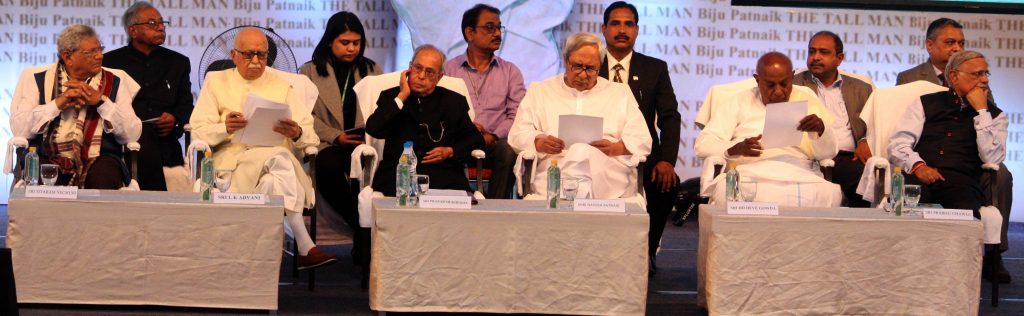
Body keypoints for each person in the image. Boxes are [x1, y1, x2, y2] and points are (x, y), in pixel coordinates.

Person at [190, 27, 336, 270]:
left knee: (272, 183)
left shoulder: (282, 86)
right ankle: (304, 245)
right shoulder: (216, 81)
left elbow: (309, 137)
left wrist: (296, 132)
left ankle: (256, 266)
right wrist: (224, 128)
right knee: (280, 158)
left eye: (262, 54)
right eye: (248, 55)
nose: (256, 61)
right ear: (233, 54)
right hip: (233, 166)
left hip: (274, 167)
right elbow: (197, 131)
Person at [898, 18, 1013, 283]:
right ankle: (906, 274)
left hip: (962, 176)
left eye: (986, 74)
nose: (984, 80)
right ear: (954, 77)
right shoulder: (924, 101)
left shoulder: (993, 113)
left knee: (965, 213)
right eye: (977, 75)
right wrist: (918, 166)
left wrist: (981, 111)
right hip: (922, 171)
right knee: (907, 201)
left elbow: (992, 159)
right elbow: (900, 141)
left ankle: (959, 279)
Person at [508, 32, 652, 200]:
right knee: (577, 153)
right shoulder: (540, 91)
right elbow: (517, 135)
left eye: (591, 69)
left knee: (582, 151)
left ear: (601, 65)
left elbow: (642, 139)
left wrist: (615, 148)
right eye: (577, 66)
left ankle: (569, 201)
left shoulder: (620, 93)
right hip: (554, 169)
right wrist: (539, 142)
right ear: (565, 59)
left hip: (606, 171)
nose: (583, 75)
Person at [597, 1, 681, 275]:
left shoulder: (654, 68)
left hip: (644, 154)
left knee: (666, 183)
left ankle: (647, 249)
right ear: (604, 29)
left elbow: (669, 116)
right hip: (599, 150)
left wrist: (667, 160)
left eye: (628, 24)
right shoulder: (589, 65)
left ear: (637, 30)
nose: (622, 30)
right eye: (615, 23)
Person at [695, 52, 841, 207]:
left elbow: (828, 154)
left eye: (784, 84)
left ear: (792, 77)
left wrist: (821, 130)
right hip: (749, 171)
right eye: (771, 85)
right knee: (726, 191)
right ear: (758, 80)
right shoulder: (739, 101)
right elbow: (702, 145)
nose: (778, 91)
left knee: (829, 193)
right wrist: (735, 149)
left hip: (798, 171)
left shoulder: (807, 97)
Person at [10, 24, 142, 189]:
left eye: (100, 49)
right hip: (48, 156)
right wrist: (58, 104)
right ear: (68, 57)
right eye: (92, 52)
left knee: (103, 175)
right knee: (42, 176)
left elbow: (132, 134)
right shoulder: (38, 80)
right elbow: (19, 129)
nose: (100, 56)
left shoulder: (115, 81)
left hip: (99, 158)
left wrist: (101, 102)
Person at [299, 11, 381, 267]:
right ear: (330, 41)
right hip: (328, 142)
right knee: (328, 167)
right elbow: (304, 116)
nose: (351, 48)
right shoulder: (309, 71)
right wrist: (335, 136)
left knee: (371, 168)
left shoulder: (372, 69)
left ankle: (364, 234)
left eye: (356, 43)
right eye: (344, 43)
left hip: (363, 140)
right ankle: (361, 228)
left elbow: (381, 110)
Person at [365, 45, 484, 195]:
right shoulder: (392, 97)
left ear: (439, 77)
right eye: (417, 68)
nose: (421, 76)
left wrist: (450, 151)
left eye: (429, 72)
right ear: (409, 68)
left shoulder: (453, 102)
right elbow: (373, 128)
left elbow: (475, 139)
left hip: (443, 176)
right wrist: (402, 96)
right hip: (398, 176)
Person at [103, 1, 192, 192]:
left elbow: (186, 106)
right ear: (133, 31)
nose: (160, 27)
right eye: (152, 23)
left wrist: (175, 118)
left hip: (165, 144)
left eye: (162, 22)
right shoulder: (110, 62)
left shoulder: (178, 63)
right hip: (123, 143)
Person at [444, 3, 525, 199]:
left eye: (499, 28)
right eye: (490, 27)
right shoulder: (450, 69)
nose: (497, 33)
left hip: (494, 142)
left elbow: (517, 114)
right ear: (470, 33)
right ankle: (459, 207)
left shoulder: (510, 71)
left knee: (507, 152)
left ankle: (496, 210)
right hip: (459, 139)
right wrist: (467, 128)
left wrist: (493, 135)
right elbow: (442, 110)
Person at [792, 31, 873, 207]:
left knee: (867, 182)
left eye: (824, 52)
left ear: (839, 58)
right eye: (812, 51)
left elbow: (876, 124)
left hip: (847, 157)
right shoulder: (793, 84)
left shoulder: (862, 89)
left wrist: (866, 140)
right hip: (808, 156)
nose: (815, 57)